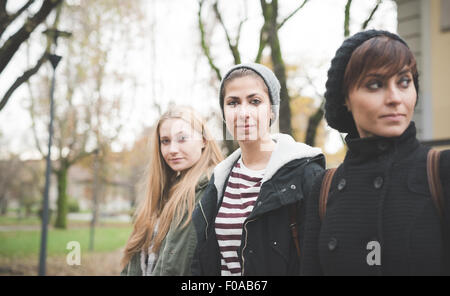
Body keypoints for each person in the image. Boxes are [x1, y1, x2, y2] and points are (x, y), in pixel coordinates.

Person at [301, 29, 450, 276]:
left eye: (404, 81)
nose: (394, 98)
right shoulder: (324, 188)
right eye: (375, 85)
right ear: (346, 99)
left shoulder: (440, 171)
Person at [191, 63, 325, 276]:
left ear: (271, 111)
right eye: (233, 103)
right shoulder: (217, 183)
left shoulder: (306, 175)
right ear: (225, 113)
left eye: (255, 101)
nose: (243, 112)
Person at [121, 106, 223, 276]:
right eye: (165, 141)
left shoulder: (213, 189)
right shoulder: (164, 192)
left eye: (182, 138)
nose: (172, 150)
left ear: (204, 140)